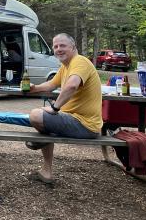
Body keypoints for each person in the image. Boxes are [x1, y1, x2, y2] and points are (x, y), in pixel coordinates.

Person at [27, 33, 102, 184]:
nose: (58, 49)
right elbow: (51, 85)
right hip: (72, 119)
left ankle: (43, 142)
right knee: (43, 121)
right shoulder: (65, 66)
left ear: (73, 47)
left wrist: (55, 108)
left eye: (62, 45)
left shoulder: (80, 62)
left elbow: (72, 85)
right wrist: (33, 88)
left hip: (85, 124)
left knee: (36, 115)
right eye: (55, 46)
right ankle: (46, 172)